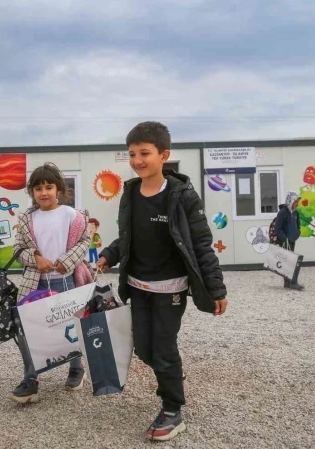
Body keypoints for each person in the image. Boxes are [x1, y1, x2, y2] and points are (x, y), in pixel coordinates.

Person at [97, 121, 228, 442]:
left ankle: (172, 410)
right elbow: (128, 236)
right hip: (138, 288)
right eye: (132, 154)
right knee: (144, 349)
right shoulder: (130, 193)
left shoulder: (182, 196)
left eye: (145, 153)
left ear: (163, 155)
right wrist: (108, 255)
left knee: (164, 348)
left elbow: (201, 244)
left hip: (171, 290)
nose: (137, 160)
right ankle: (172, 376)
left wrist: (216, 288)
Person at [10, 162, 92, 403]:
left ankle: (76, 367)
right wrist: (35, 258)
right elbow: (18, 250)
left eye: (49, 187)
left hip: (66, 281)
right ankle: (30, 378)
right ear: (32, 192)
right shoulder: (28, 218)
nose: (43, 193)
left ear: (59, 189)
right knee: (28, 329)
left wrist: (67, 261)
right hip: (35, 284)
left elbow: (84, 241)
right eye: (38, 188)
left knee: (71, 326)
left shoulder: (72, 215)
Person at [273, 191, 304, 291]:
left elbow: (298, 225)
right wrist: (284, 238)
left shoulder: (295, 213)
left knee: (291, 261)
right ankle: (291, 282)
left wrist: (297, 233)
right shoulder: (282, 213)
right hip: (284, 241)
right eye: (296, 201)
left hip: (291, 240)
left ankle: (289, 282)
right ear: (290, 201)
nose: (297, 204)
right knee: (288, 261)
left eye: (298, 202)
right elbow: (277, 228)